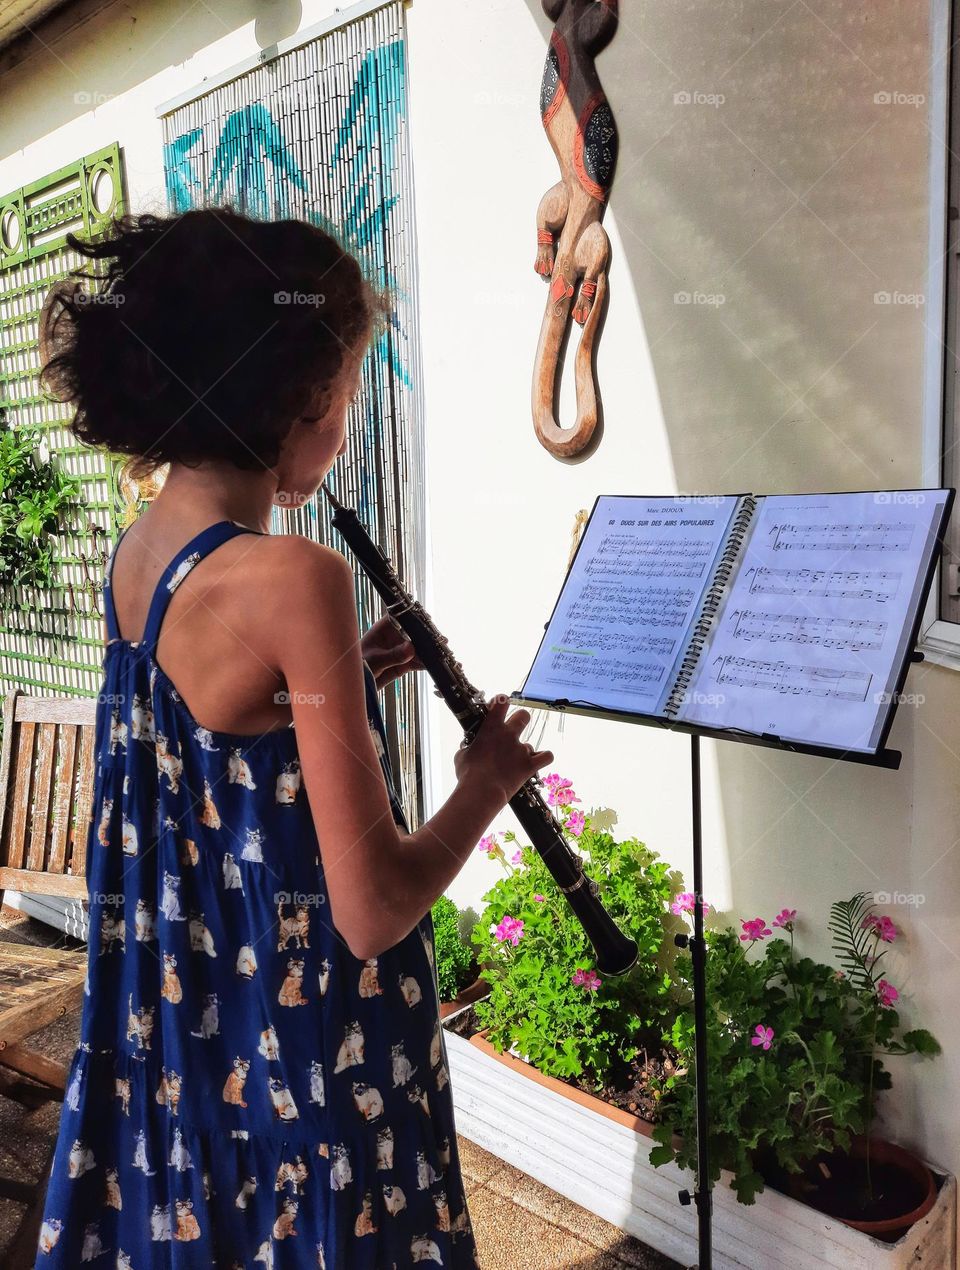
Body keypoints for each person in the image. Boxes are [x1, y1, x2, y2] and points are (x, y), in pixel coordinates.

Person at [33, 206, 553, 1268]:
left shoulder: (140, 555)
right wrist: (485, 781)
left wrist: (326, 685)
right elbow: (373, 909)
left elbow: (208, 729)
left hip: (193, 1040)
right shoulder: (296, 578)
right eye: (349, 395)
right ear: (293, 396)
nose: (348, 427)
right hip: (317, 1056)